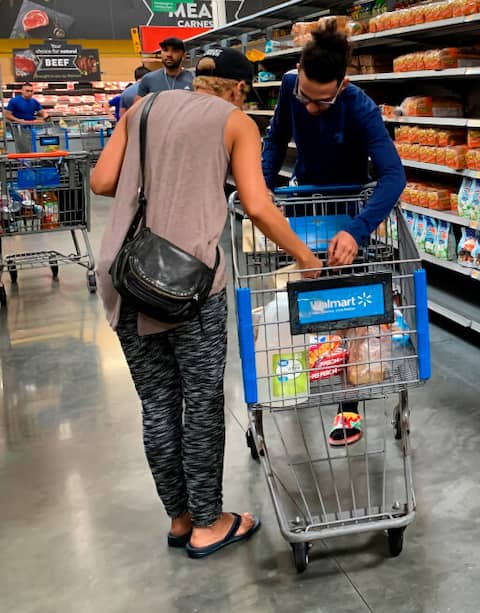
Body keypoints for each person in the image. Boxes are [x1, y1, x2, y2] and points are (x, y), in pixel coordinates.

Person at [90, 48, 323, 559]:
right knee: (201, 401)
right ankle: (209, 522)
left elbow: (102, 182)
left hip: (126, 277)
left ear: (199, 80)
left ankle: (178, 519)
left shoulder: (141, 108)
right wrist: (304, 256)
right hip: (187, 286)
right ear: (239, 89)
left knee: (157, 404)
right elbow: (257, 204)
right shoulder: (236, 122)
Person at [261, 19, 406, 268]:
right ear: (299, 69)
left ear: (343, 85)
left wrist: (356, 230)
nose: (309, 107)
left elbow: (394, 175)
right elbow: (276, 138)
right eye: (304, 97)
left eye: (322, 102)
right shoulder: (288, 85)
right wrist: (264, 186)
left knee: (345, 285)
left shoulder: (361, 108)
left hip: (346, 206)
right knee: (297, 283)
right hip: (301, 199)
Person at [3, 83, 47, 153]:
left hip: (31, 127)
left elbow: (41, 112)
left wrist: (45, 117)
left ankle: (31, 161)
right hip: (18, 128)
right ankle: (24, 162)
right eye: (27, 91)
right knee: (23, 147)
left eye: (31, 91)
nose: (29, 93)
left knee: (30, 146)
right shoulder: (14, 101)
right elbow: (7, 115)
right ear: (22, 91)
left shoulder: (34, 101)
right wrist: (19, 120)